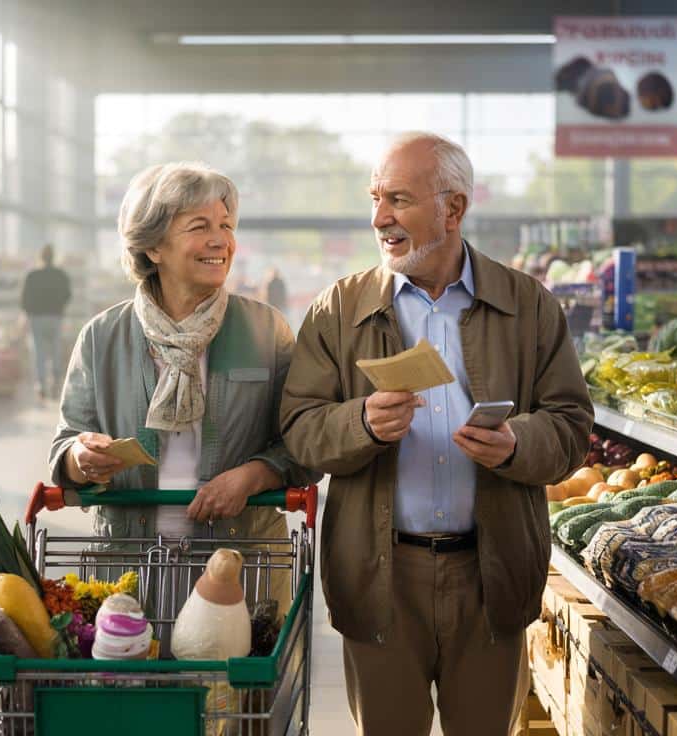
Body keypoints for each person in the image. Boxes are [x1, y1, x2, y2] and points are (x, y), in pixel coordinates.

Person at [279, 132, 594, 736]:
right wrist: (361, 423)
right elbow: (299, 429)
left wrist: (517, 444)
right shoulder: (336, 311)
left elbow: (572, 425)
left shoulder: (529, 306)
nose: (380, 218)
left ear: (453, 209)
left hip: (492, 576)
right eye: (375, 198)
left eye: (398, 198)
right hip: (379, 579)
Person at [48, 161, 317, 616]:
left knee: (233, 687)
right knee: (137, 683)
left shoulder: (265, 330)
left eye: (226, 226)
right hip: (127, 568)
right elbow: (66, 444)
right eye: (200, 226)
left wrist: (252, 476)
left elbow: (303, 440)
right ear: (153, 246)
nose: (220, 240)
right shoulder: (103, 337)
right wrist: (82, 458)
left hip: (240, 562)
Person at [20, 244, 73, 400]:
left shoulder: (32, 275)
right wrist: (59, 307)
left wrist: (29, 312)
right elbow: (67, 294)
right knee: (56, 349)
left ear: (41, 256)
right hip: (55, 317)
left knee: (39, 352)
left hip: (36, 318)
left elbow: (24, 299)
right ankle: (56, 382)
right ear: (53, 256)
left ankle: (41, 385)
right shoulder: (61, 275)